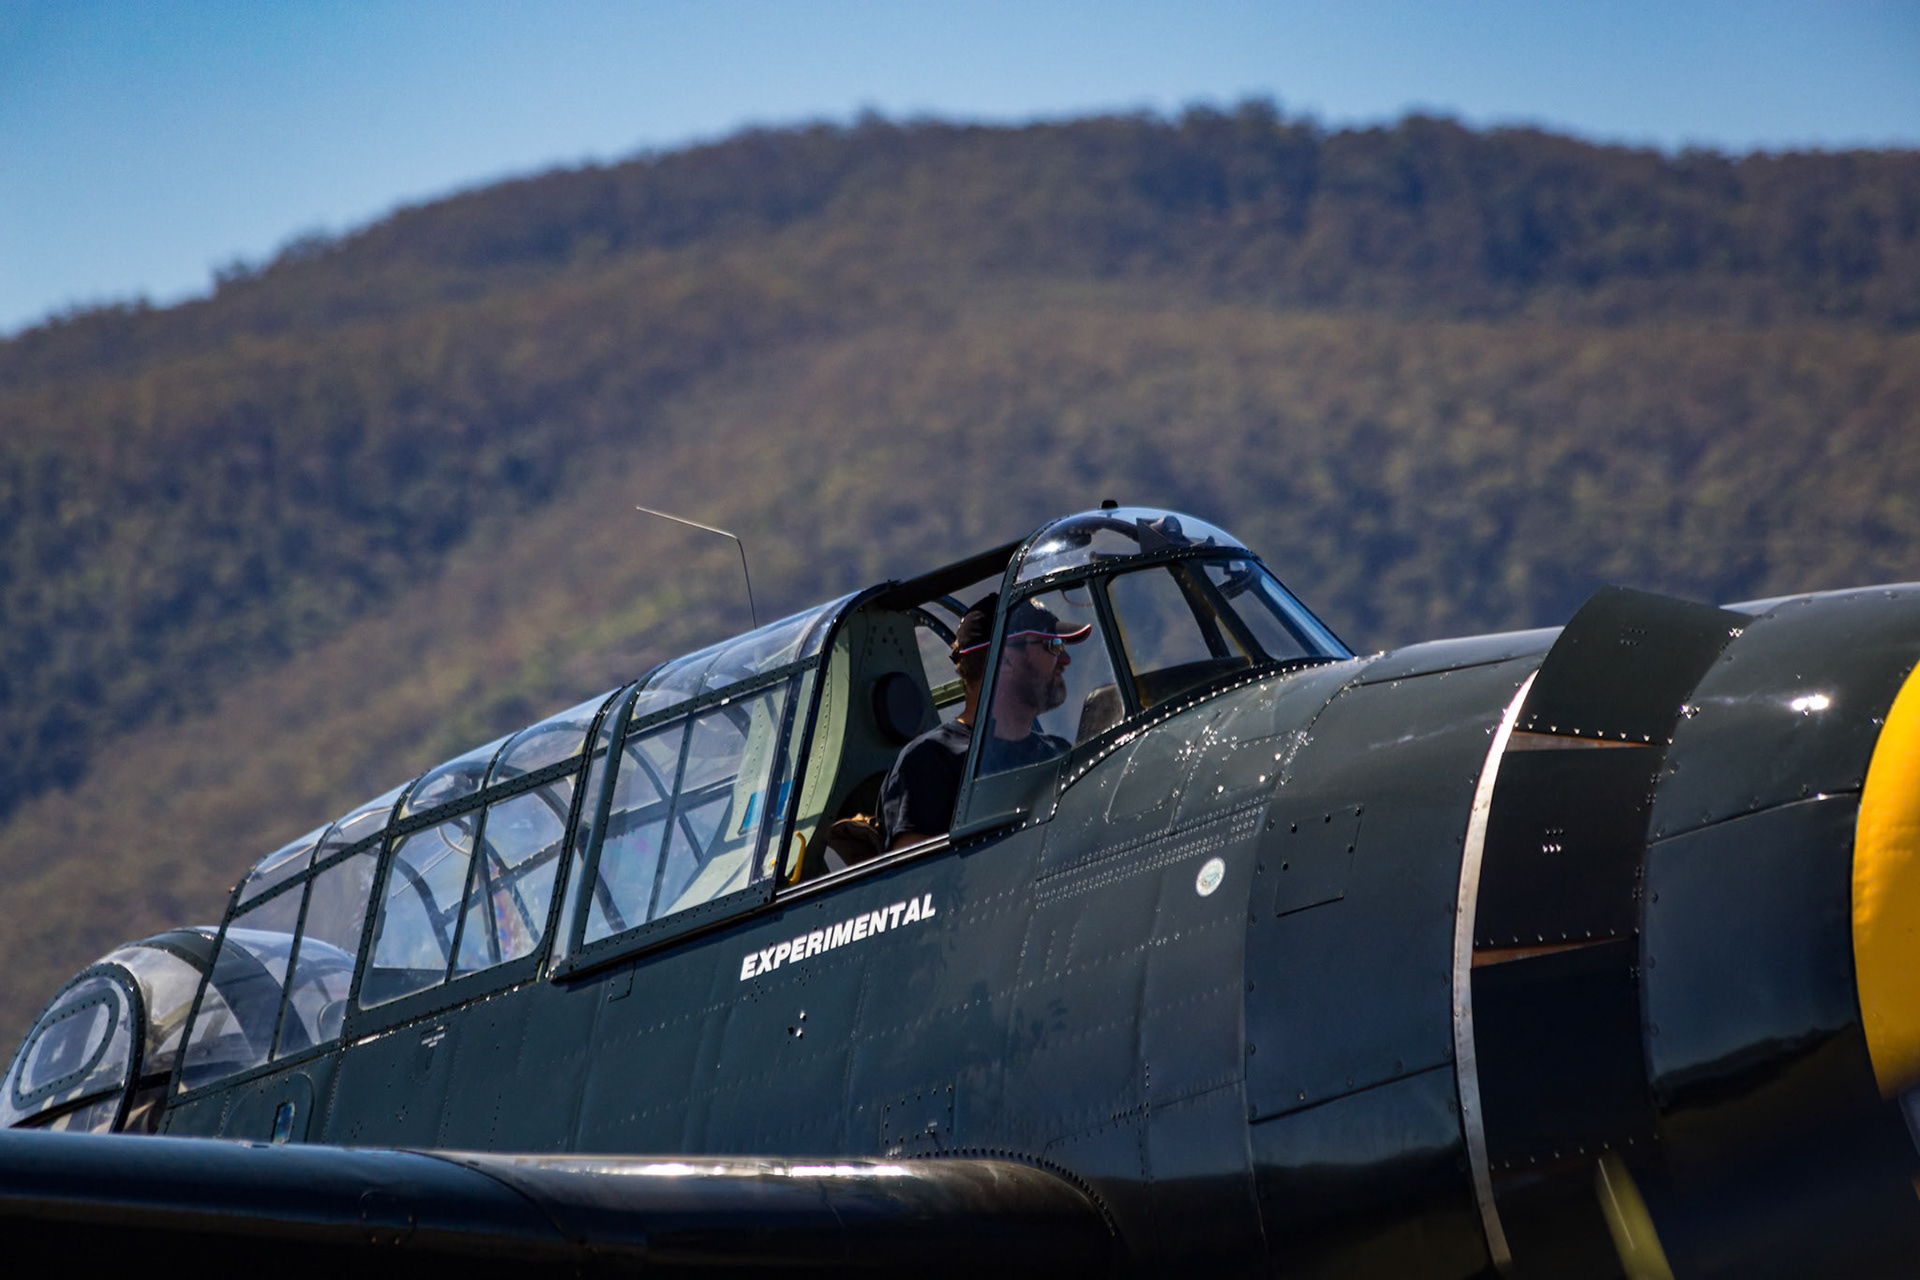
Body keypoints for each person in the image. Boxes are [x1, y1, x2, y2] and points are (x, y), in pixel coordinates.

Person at [879, 593, 1090, 849]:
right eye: (1053, 645)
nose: (1066, 659)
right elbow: (917, 878)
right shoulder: (929, 762)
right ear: (1006, 658)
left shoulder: (1058, 753)